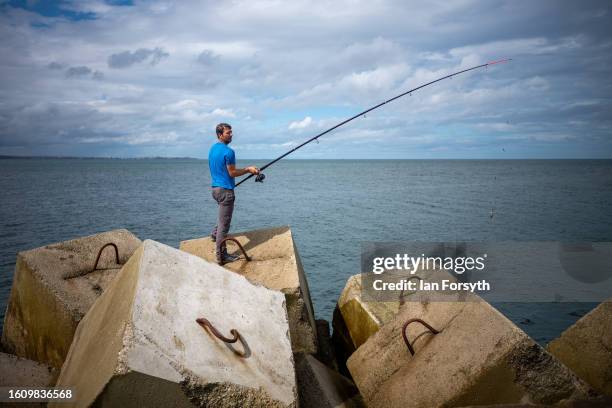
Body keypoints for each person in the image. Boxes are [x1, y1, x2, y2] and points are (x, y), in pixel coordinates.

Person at [208, 123, 259, 265]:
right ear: (220, 135)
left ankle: (214, 234)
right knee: (224, 226)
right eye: (228, 133)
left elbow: (219, 170)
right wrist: (249, 169)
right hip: (225, 193)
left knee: (222, 218)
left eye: (231, 132)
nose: (231, 135)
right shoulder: (229, 152)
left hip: (215, 190)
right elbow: (232, 172)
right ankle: (221, 256)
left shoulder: (212, 149)